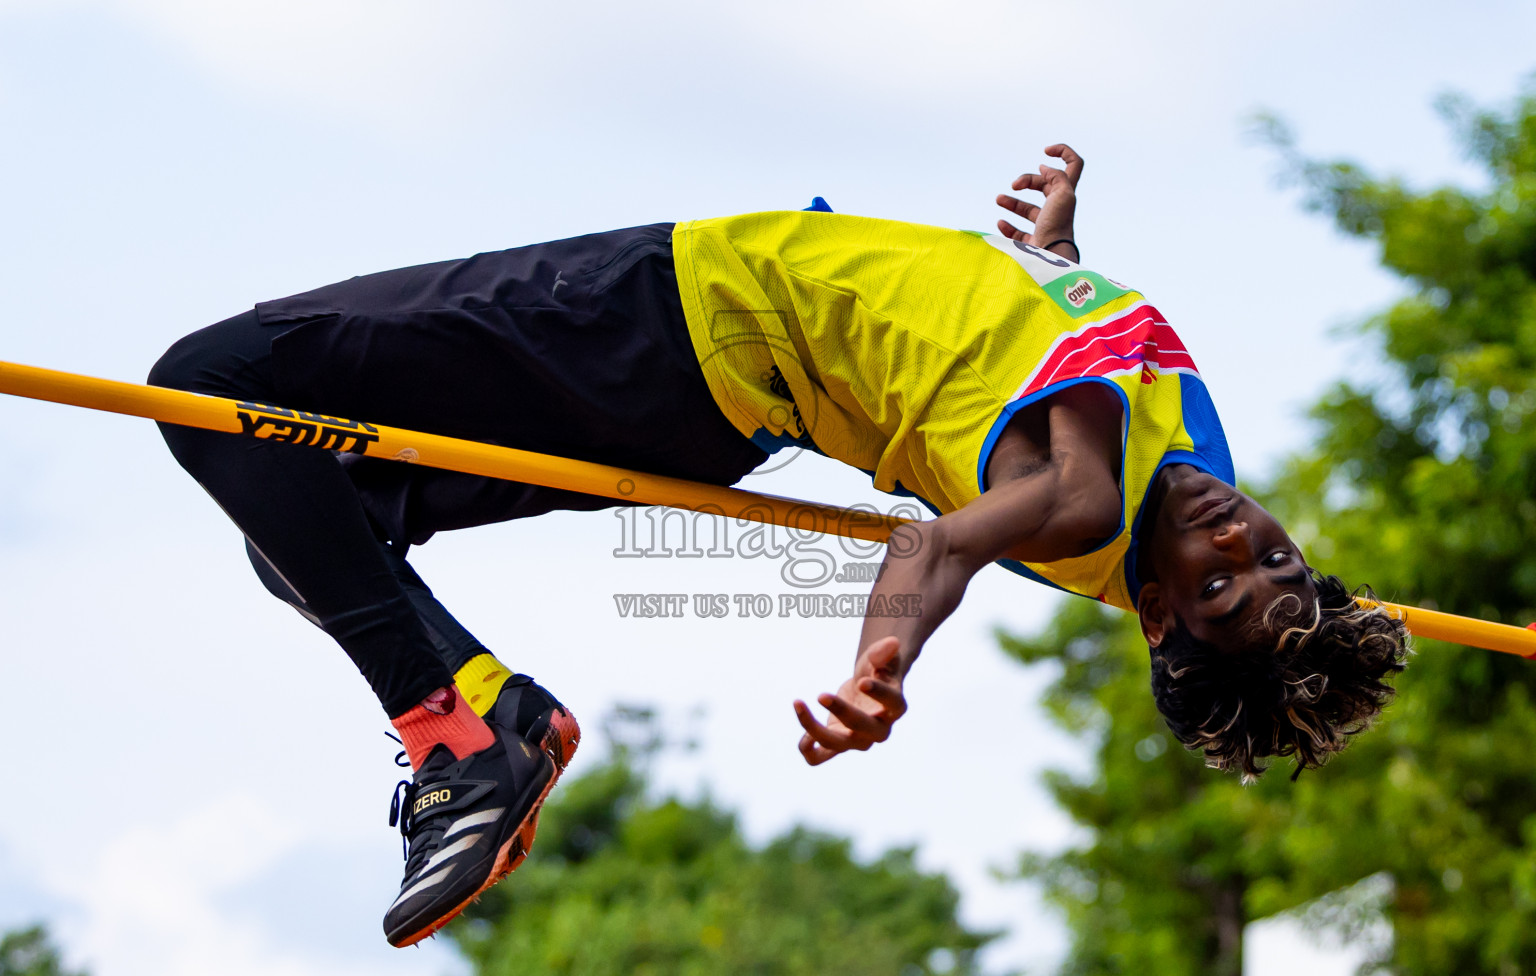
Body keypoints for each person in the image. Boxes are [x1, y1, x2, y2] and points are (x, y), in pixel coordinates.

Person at [146, 145, 1408, 947]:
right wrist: (1058, 256)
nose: (1237, 540)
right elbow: (1060, 336)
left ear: (1157, 619)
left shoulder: (1086, 503)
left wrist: (882, 664)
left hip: (676, 320)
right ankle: (494, 711)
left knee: (214, 380)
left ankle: (459, 740)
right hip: (719, 391)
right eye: (1277, 562)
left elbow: (945, 548)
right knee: (312, 531)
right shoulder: (1193, 464)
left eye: (1221, 588)